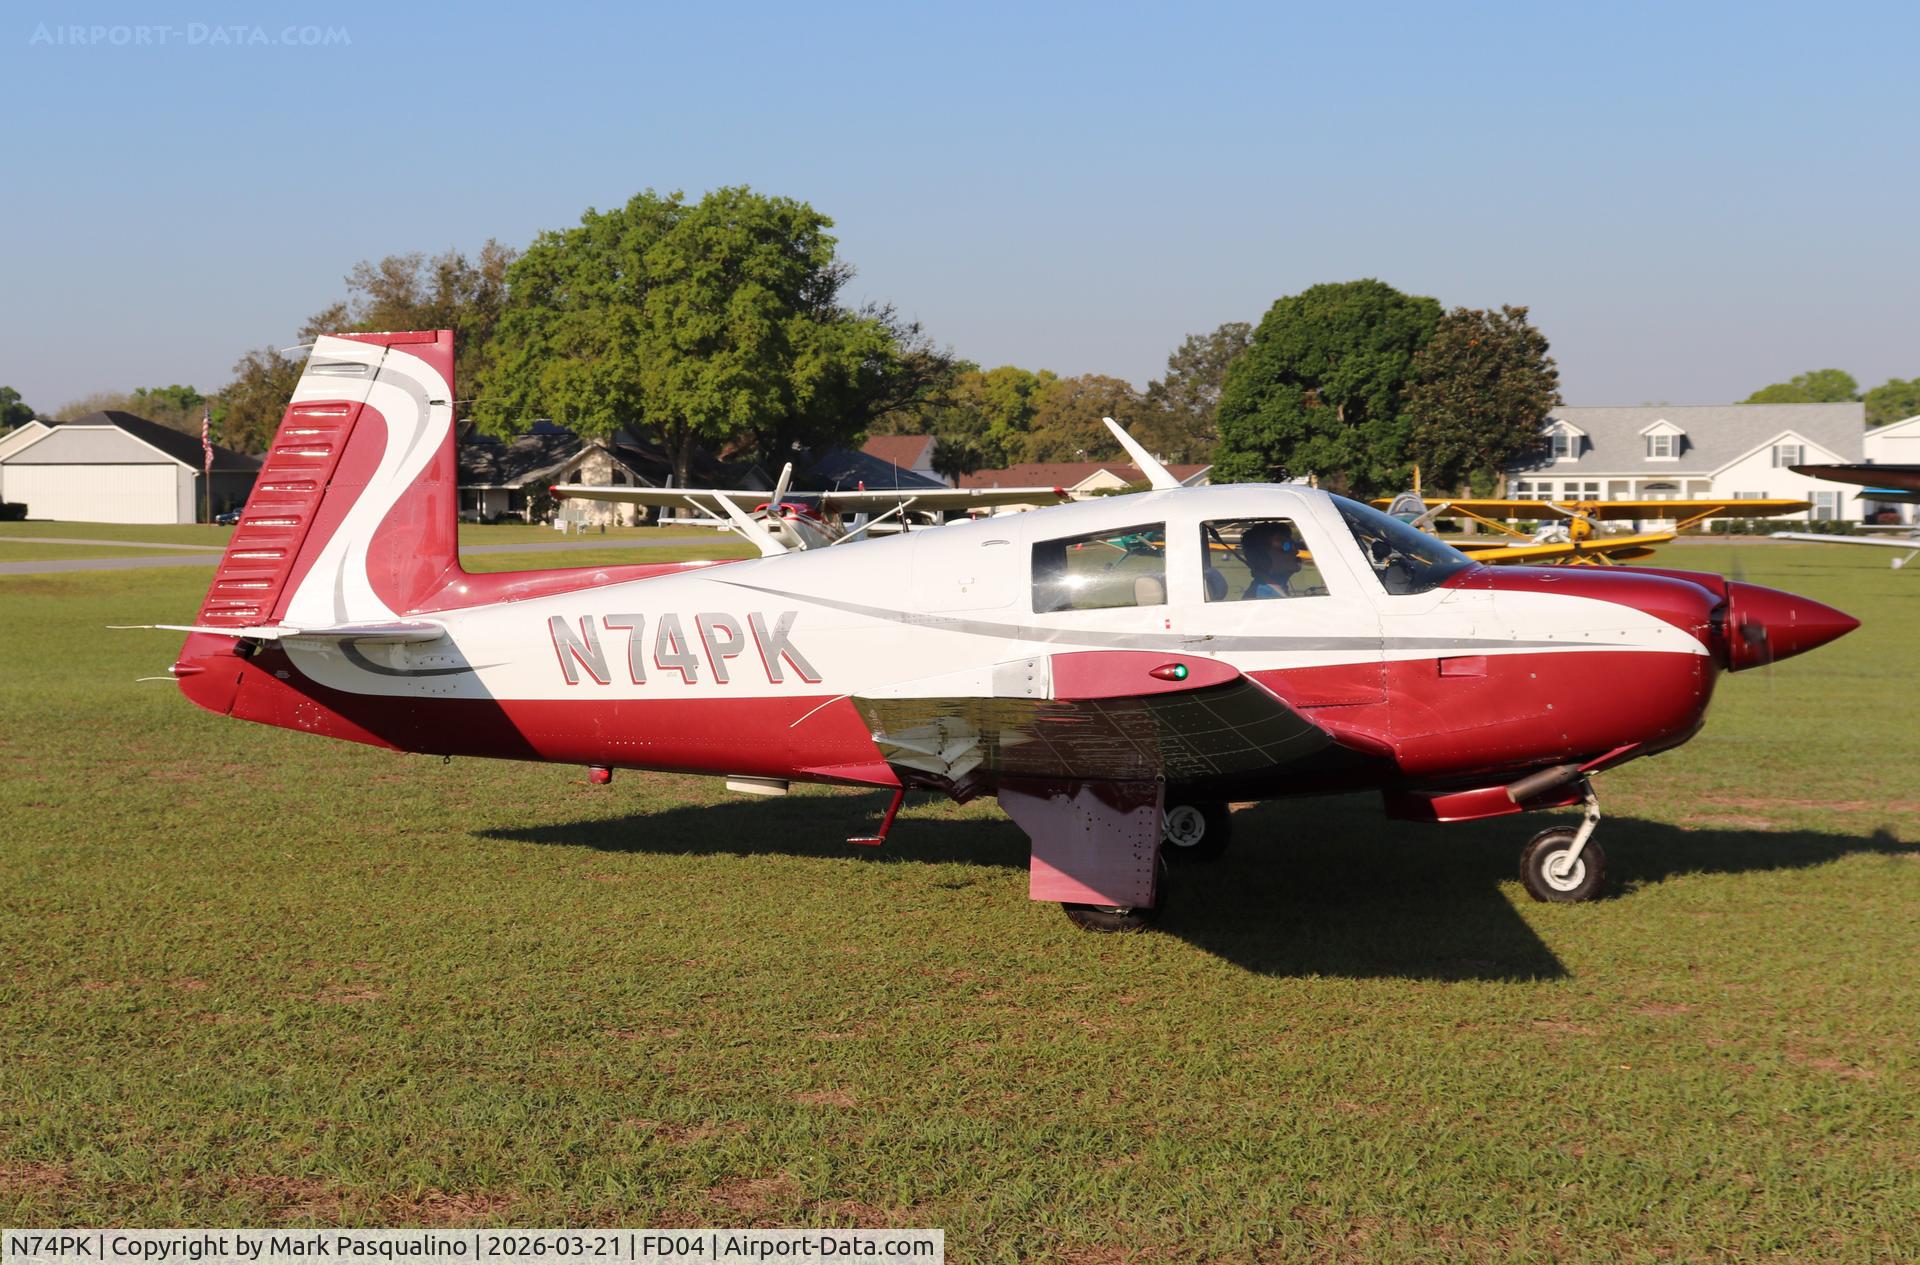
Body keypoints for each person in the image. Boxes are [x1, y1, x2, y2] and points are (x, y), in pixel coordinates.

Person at [1241, 520, 1304, 599]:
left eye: (1294, 544)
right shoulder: (1263, 598)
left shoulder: (1275, 590)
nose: (1296, 551)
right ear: (1263, 558)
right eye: (1285, 546)